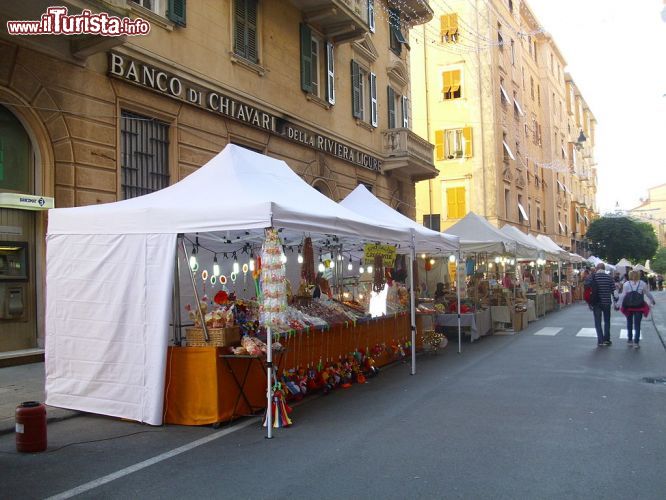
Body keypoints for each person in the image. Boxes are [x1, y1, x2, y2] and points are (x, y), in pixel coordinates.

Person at [616, 270, 656, 348]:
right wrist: (652, 300)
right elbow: (648, 293)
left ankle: (630, 340)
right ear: (638, 275)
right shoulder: (642, 284)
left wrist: (618, 304)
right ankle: (636, 342)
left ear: (629, 275)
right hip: (639, 307)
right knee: (637, 325)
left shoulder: (626, 284)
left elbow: (623, 295)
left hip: (629, 306)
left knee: (629, 323)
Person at [585, 263, 616, 346]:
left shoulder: (593, 277)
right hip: (606, 302)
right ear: (604, 268)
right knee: (607, 321)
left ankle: (600, 340)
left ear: (597, 268)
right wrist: (616, 300)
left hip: (596, 302)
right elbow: (614, 290)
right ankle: (607, 339)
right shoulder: (609, 277)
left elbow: (586, 285)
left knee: (597, 321)